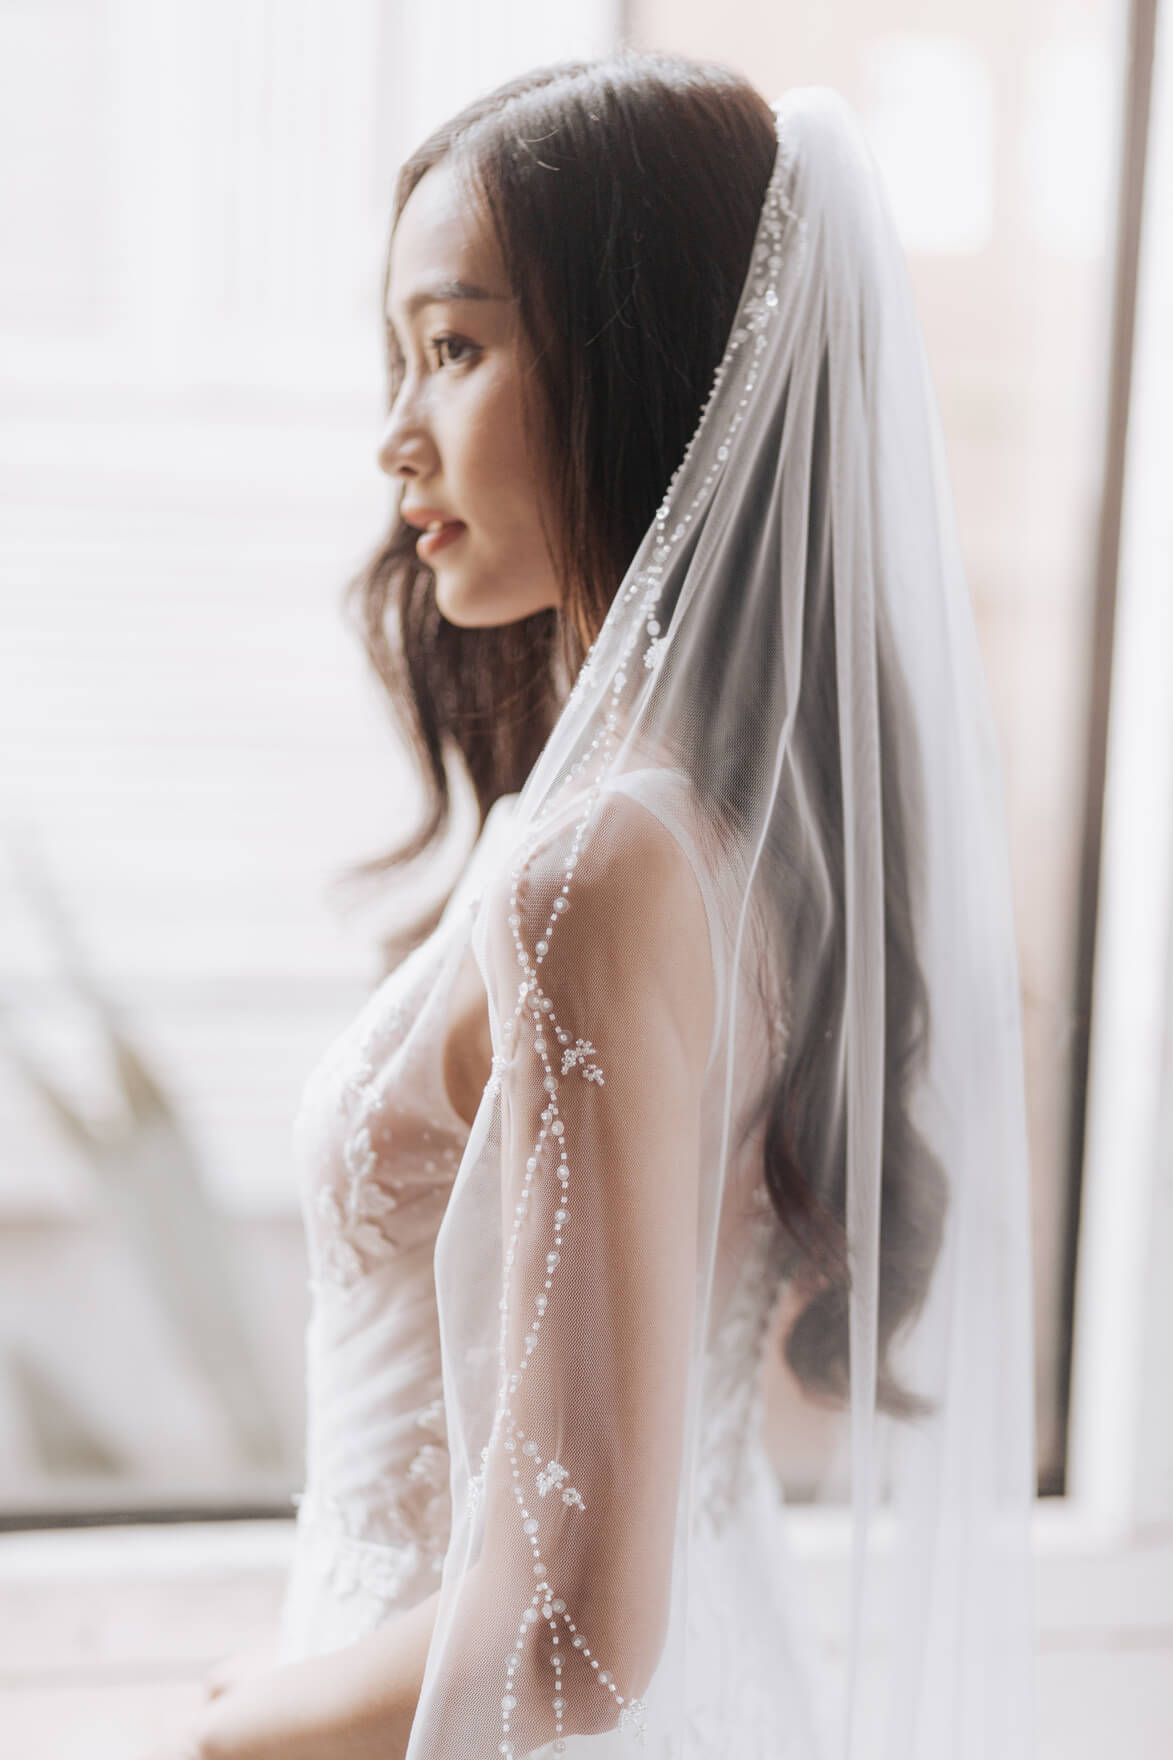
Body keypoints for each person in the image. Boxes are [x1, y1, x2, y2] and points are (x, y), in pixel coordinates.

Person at [154, 49, 1037, 1760]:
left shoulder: (598, 877)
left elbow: (564, 1634)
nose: (397, 430)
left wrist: (226, 1734)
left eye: (460, 347)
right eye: (402, 354)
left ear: (648, 370)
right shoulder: (740, 833)